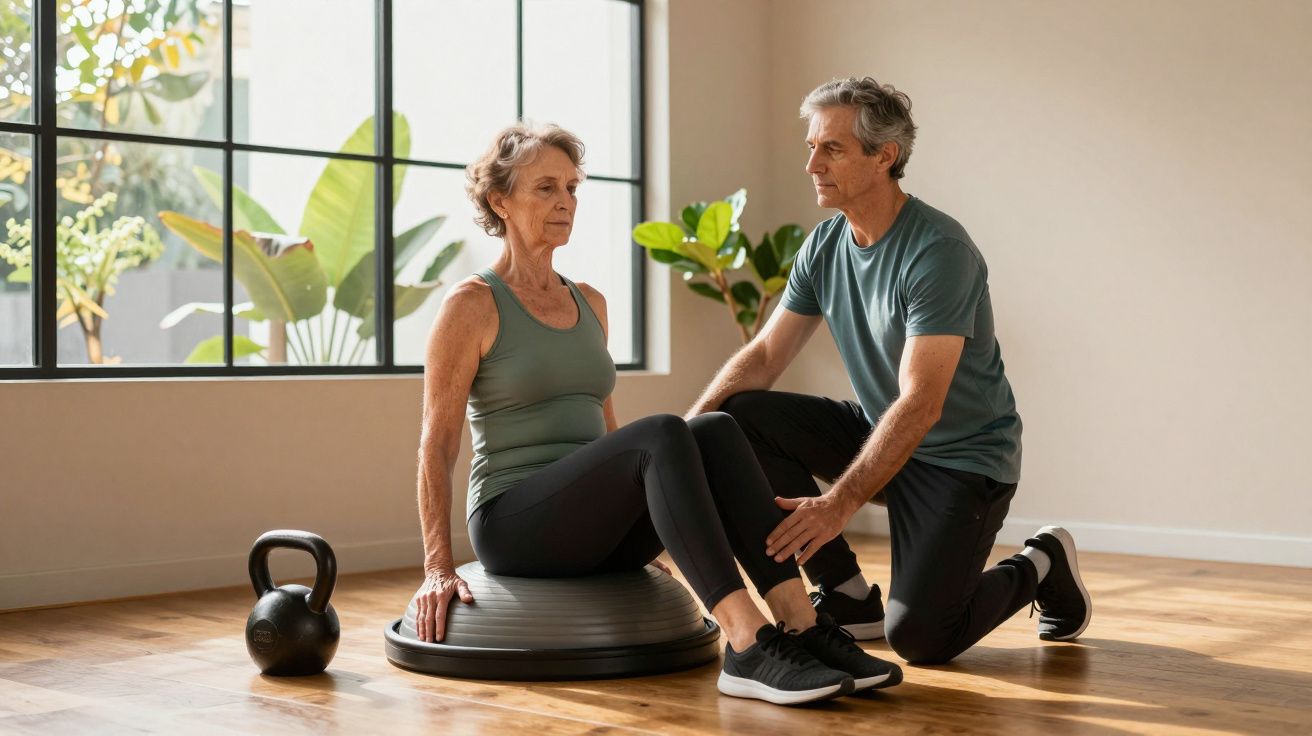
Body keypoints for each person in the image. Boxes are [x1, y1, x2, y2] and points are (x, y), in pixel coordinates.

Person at [410, 122, 901, 704]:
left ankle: (803, 624)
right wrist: (437, 566)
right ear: (500, 200)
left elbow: (608, 433)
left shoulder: (589, 302)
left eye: (571, 187)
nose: (565, 201)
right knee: (667, 430)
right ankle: (747, 644)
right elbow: (436, 445)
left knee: (715, 427)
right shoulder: (471, 305)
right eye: (545, 188)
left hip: (588, 524)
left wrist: (667, 530)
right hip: (514, 522)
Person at [687, 77, 1092, 665]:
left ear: (885, 157)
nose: (811, 164)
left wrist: (837, 505)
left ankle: (1043, 561)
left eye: (832, 148)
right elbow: (766, 357)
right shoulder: (824, 245)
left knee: (923, 640)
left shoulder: (938, 251)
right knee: (738, 417)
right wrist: (682, 436)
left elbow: (923, 401)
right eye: (811, 146)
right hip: (882, 427)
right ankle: (848, 595)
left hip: (962, 460)